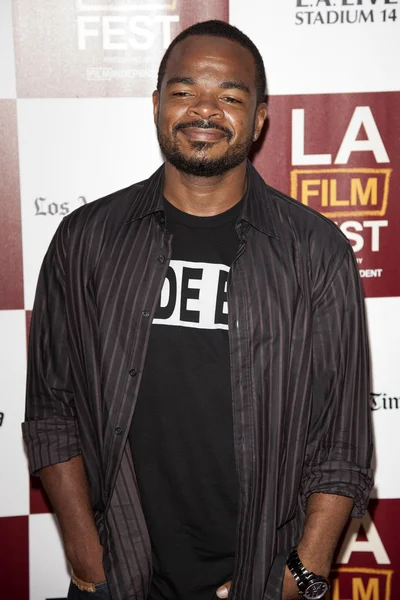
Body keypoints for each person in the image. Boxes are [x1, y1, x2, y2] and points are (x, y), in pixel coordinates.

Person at [23, 19, 373, 600]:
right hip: (120, 574)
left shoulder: (317, 251)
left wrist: (301, 574)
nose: (203, 110)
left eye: (230, 96)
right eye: (184, 92)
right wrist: (88, 558)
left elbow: (342, 436)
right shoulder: (86, 239)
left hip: (263, 576)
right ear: (157, 104)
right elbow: (52, 410)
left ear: (260, 116)